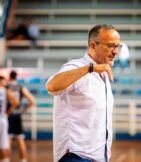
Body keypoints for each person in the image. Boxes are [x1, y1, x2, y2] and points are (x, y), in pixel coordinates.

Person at [46, 24, 121, 162]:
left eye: (117, 46)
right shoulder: (76, 67)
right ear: (93, 45)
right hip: (76, 156)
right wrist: (90, 68)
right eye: (110, 46)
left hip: (98, 157)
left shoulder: (103, 74)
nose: (115, 51)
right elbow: (52, 86)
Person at [7, 70, 36, 162]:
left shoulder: (5, 87)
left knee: (8, 140)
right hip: (18, 115)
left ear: (9, 77)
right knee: (20, 139)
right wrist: (23, 110)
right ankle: (23, 160)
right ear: (16, 77)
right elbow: (32, 101)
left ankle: (5, 159)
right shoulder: (20, 87)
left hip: (8, 115)